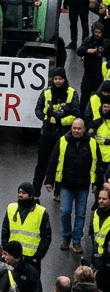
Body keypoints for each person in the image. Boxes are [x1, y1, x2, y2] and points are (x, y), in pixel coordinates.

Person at [46, 118, 100, 253]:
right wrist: (49, 180)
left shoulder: (92, 143)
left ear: (84, 129)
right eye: (74, 128)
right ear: (71, 128)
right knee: (65, 212)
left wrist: (96, 183)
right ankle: (66, 237)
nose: (76, 131)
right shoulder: (63, 141)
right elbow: (53, 160)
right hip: (66, 185)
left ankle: (76, 241)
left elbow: (97, 164)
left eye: (79, 128)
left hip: (83, 186)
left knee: (80, 215)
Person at [33, 69, 80, 197]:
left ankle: (58, 192)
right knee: (41, 164)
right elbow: (38, 109)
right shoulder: (46, 92)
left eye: (60, 79)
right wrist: (46, 118)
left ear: (64, 79)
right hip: (47, 132)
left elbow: (76, 114)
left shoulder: (72, 93)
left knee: (62, 164)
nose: (58, 81)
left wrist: (61, 120)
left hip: (64, 133)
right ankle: (35, 192)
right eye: (55, 79)